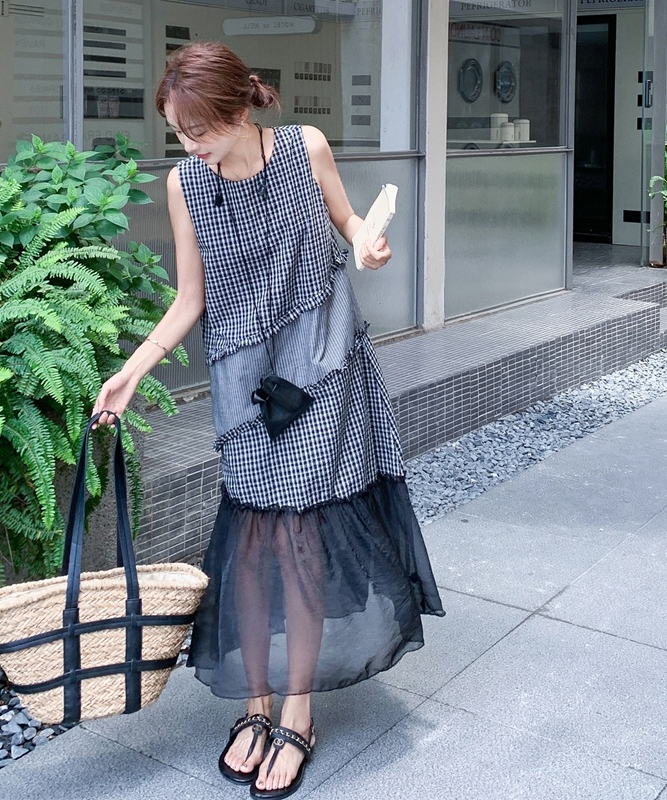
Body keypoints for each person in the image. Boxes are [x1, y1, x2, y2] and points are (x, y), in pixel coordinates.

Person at [92, 41, 444, 800]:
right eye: (179, 134)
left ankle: (296, 714)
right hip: (243, 381)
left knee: (300, 539)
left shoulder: (305, 149)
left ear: (237, 110)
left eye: (198, 131)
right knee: (251, 545)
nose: (189, 147)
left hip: (321, 366)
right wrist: (133, 370)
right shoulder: (185, 184)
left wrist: (369, 244)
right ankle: (254, 705)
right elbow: (191, 299)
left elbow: (348, 224)